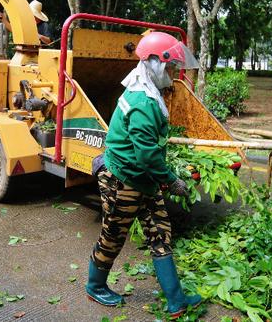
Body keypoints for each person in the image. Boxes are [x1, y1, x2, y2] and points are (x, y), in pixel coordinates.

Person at [86, 31, 202, 319]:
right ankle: (95, 285)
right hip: (122, 180)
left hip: (145, 180)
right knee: (113, 235)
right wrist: (172, 180)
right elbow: (147, 155)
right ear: (155, 63)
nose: (175, 73)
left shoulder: (147, 89)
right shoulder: (142, 102)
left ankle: (176, 301)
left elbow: (150, 154)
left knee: (160, 235)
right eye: (172, 67)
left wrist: (161, 178)